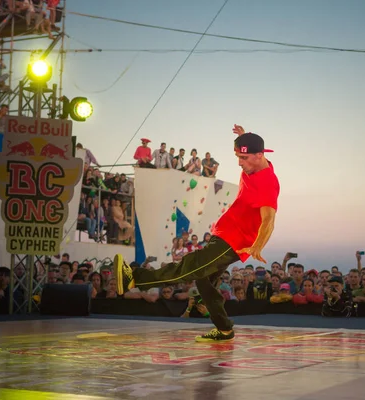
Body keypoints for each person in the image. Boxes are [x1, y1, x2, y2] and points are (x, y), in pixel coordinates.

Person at [115, 124, 279, 342]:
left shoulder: (267, 182)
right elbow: (250, 148)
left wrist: (258, 245)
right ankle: (224, 329)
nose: (240, 163)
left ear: (259, 156)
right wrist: (243, 136)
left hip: (235, 241)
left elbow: (269, 219)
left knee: (190, 267)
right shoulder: (254, 161)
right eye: (238, 156)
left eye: (244, 158)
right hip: (224, 232)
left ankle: (134, 279)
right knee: (204, 281)